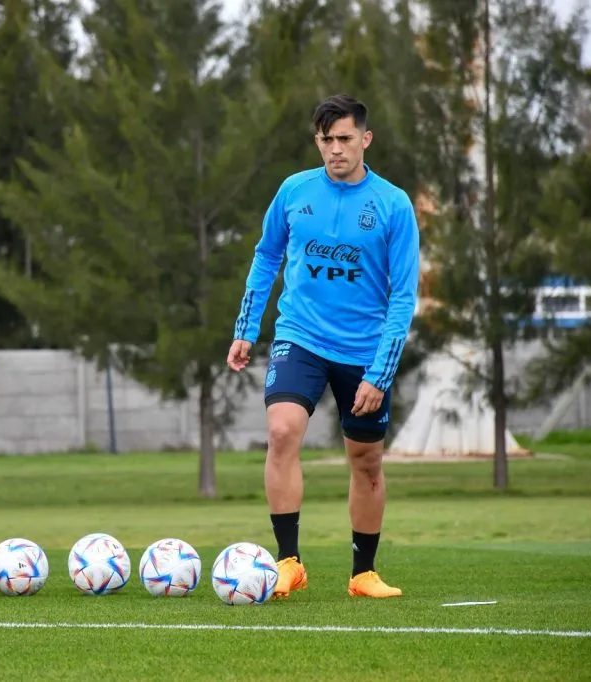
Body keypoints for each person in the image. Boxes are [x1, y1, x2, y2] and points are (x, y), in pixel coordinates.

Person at [227, 94, 420, 599]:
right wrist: (246, 328)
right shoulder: (294, 191)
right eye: (326, 140)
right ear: (317, 141)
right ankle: (288, 562)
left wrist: (380, 373)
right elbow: (266, 255)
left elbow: (403, 296)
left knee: (366, 461)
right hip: (300, 337)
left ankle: (363, 574)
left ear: (365, 139)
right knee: (282, 431)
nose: (335, 149)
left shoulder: (393, 204)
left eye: (345, 139)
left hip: (365, 351)